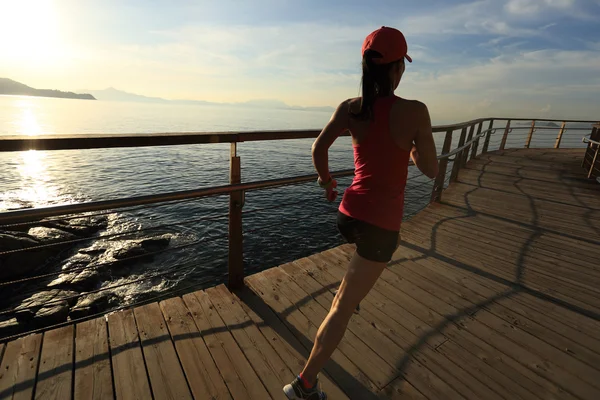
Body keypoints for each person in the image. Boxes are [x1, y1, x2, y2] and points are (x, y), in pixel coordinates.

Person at [283, 26, 439, 400]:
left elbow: (318, 149)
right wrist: (413, 150)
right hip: (379, 228)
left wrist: (327, 184)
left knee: (352, 289)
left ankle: (353, 295)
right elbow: (431, 169)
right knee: (341, 306)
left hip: (348, 215)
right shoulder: (415, 111)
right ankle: (304, 385)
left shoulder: (350, 108)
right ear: (398, 68)